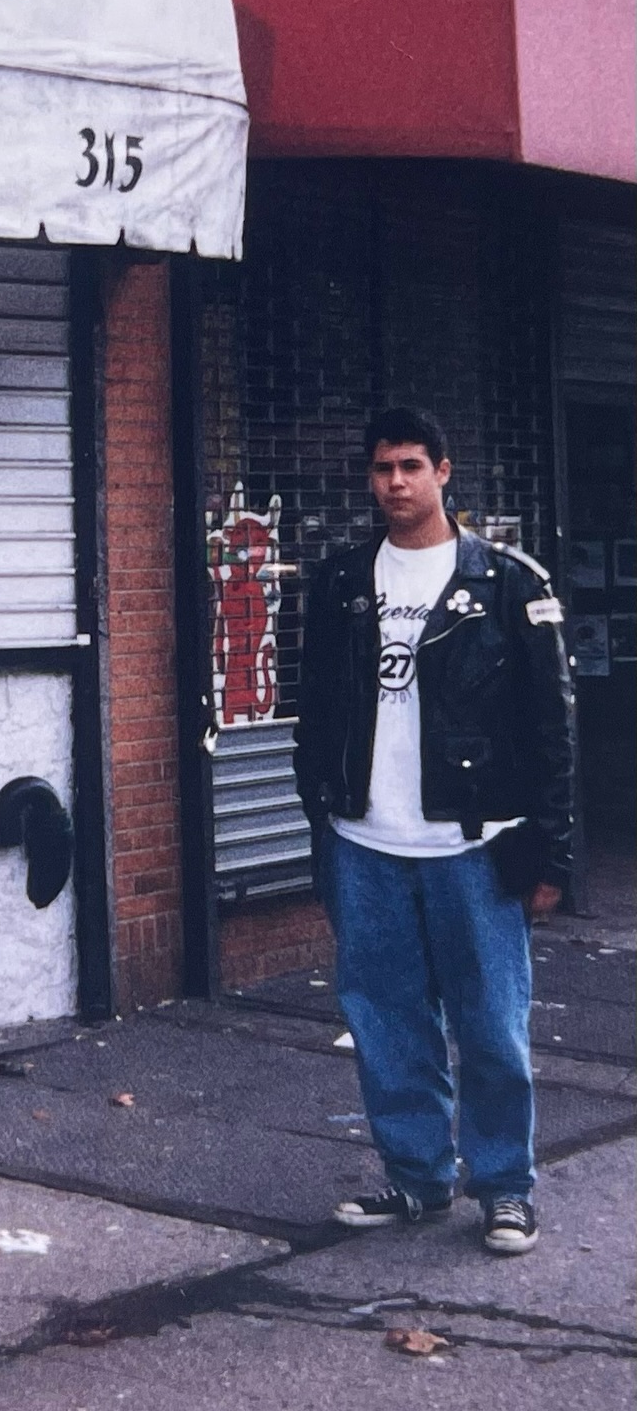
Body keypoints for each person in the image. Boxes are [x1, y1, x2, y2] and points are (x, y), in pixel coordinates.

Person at [294, 406, 575, 1256]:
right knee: (385, 1022)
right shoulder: (343, 580)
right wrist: (324, 818)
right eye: (382, 469)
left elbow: (551, 727)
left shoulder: (508, 582)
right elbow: (319, 714)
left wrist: (553, 850)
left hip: (474, 846)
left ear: (445, 472)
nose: (396, 484)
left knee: (491, 1022)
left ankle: (504, 1189)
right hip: (367, 844)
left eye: (412, 466)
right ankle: (417, 1178)